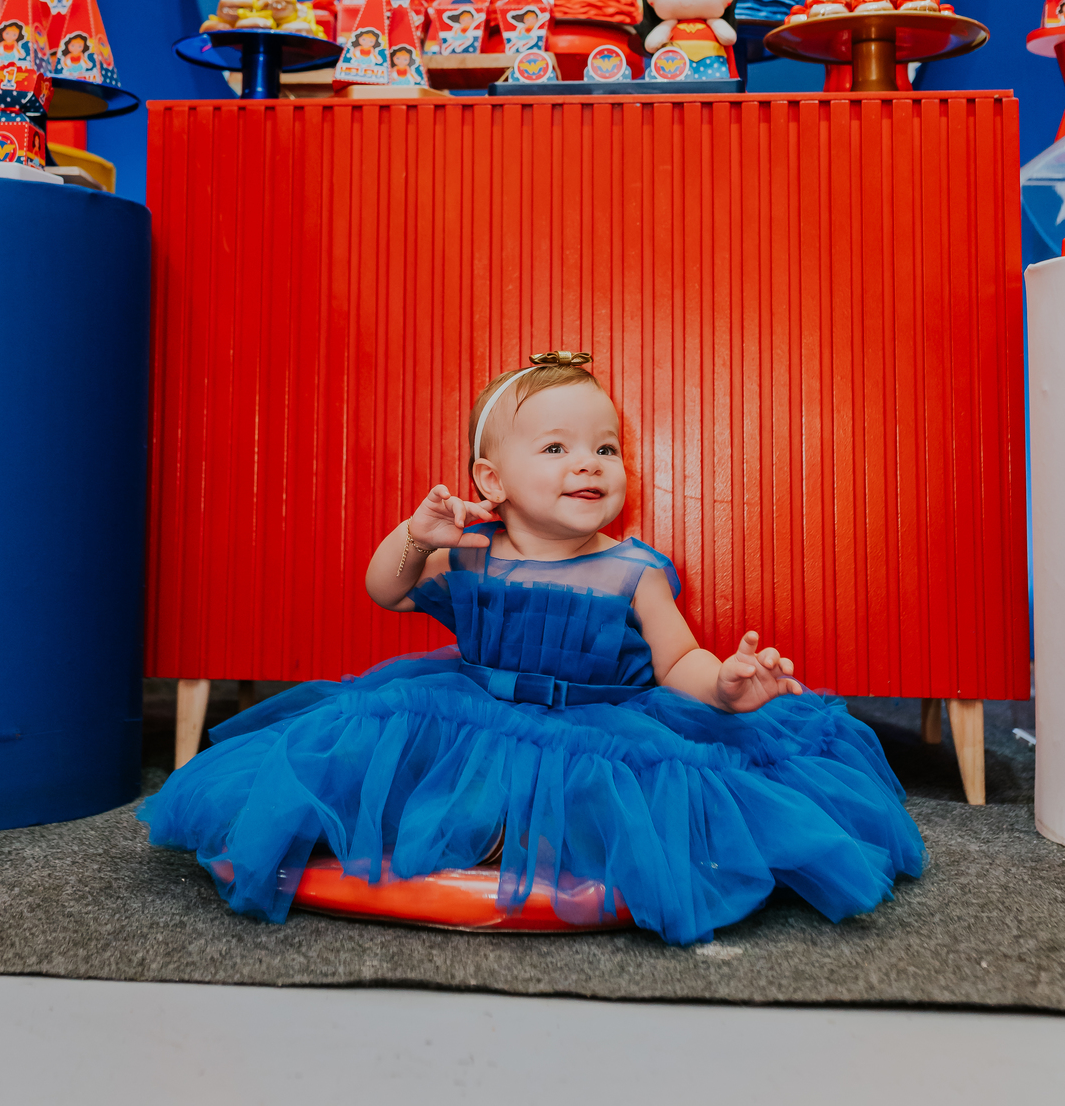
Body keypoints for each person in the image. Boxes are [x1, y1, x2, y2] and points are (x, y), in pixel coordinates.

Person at [139, 356, 924, 942]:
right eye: (555, 448)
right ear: (493, 476)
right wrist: (416, 537)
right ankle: (454, 831)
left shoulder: (633, 570)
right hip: (471, 711)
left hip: (601, 724)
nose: (589, 462)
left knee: (623, 802)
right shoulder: (472, 555)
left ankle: (533, 838)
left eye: (606, 449)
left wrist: (727, 686)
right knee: (375, 754)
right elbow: (386, 589)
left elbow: (677, 661)